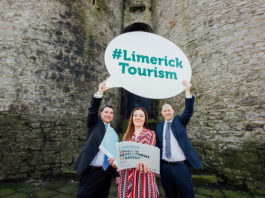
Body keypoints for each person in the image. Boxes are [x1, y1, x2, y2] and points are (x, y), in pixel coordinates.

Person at [156, 80, 202, 198]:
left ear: (173, 111)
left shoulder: (179, 121)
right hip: (165, 168)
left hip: (181, 167)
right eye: (164, 110)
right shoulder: (159, 127)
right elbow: (157, 146)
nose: (167, 112)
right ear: (162, 113)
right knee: (170, 195)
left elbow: (188, 111)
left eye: (168, 110)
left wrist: (187, 91)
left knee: (187, 195)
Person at [74, 80, 119, 198]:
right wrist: (100, 92)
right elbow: (92, 110)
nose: (108, 114)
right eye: (106, 112)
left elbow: (113, 155)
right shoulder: (95, 124)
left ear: (113, 116)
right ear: (101, 113)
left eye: (111, 113)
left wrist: (116, 174)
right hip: (91, 172)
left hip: (106, 174)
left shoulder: (113, 133)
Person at [109, 107, 159, 198]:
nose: (138, 117)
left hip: (143, 176)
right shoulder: (126, 136)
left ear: (145, 119)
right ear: (132, 118)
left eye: (141, 115)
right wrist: (116, 163)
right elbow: (123, 157)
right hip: (127, 177)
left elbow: (150, 154)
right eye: (135, 115)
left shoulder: (150, 134)